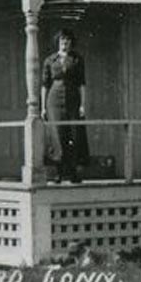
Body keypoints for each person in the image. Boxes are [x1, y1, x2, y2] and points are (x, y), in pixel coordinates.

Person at [41, 28, 87, 183]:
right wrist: (43, 107)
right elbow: (45, 85)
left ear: (71, 43)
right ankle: (58, 173)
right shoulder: (50, 60)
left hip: (73, 99)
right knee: (57, 135)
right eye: (62, 40)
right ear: (57, 42)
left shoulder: (77, 59)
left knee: (73, 135)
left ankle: (73, 173)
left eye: (67, 41)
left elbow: (82, 84)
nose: (64, 43)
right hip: (54, 100)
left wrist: (82, 105)